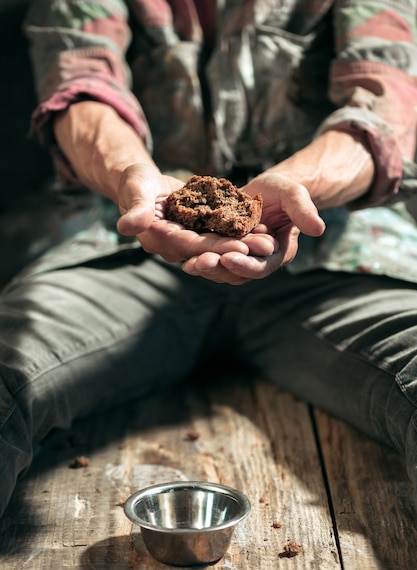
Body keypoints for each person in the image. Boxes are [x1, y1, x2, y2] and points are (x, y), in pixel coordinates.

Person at [1, 0, 417, 518]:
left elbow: (386, 112)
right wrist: (132, 173)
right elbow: (82, 88)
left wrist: (294, 189)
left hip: (337, 256)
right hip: (128, 249)